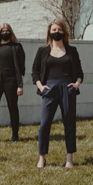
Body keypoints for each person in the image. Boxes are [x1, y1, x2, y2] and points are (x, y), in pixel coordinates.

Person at [31, 19, 83, 169]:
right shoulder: (42, 51)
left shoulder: (72, 51)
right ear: (49, 32)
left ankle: (69, 158)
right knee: (45, 124)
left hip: (67, 88)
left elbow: (79, 72)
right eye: (54, 30)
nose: (56, 32)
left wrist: (76, 84)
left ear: (64, 32)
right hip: (49, 89)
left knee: (69, 123)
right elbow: (34, 72)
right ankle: (42, 157)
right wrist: (41, 87)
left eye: (59, 29)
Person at [0, 23, 25, 143]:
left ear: (10, 32)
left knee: (12, 107)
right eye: (2, 31)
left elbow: (21, 68)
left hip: (11, 80)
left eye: (6, 30)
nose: (4, 33)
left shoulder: (16, 47)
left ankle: (15, 134)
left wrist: (20, 85)